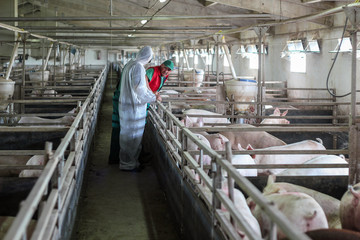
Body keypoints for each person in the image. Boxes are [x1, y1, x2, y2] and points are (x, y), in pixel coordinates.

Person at [116, 46, 161, 171]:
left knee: (127, 135)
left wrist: (152, 95)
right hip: (133, 108)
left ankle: (128, 161)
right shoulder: (138, 67)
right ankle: (128, 164)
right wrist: (153, 98)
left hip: (127, 106)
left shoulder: (131, 64)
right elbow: (139, 89)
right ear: (148, 58)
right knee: (132, 136)